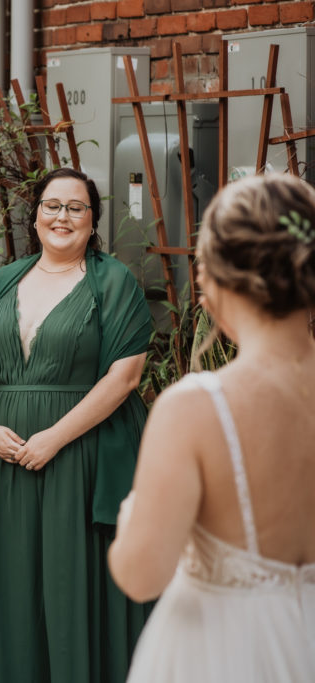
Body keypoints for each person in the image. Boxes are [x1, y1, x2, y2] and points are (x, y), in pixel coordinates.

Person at [110, 174, 315, 682]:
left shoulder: (197, 409)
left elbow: (141, 575)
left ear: (215, 279)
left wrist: (133, 513)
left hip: (224, 652)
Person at [0, 166, 151, 682]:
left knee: (70, 583)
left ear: (93, 222)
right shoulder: (3, 280)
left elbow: (125, 376)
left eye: (75, 207)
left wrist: (54, 439)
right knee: (12, 583)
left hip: (79, 455)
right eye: (52, 205)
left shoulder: (112, 280)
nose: (61, 216)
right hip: (3, 456)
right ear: (36, 214)